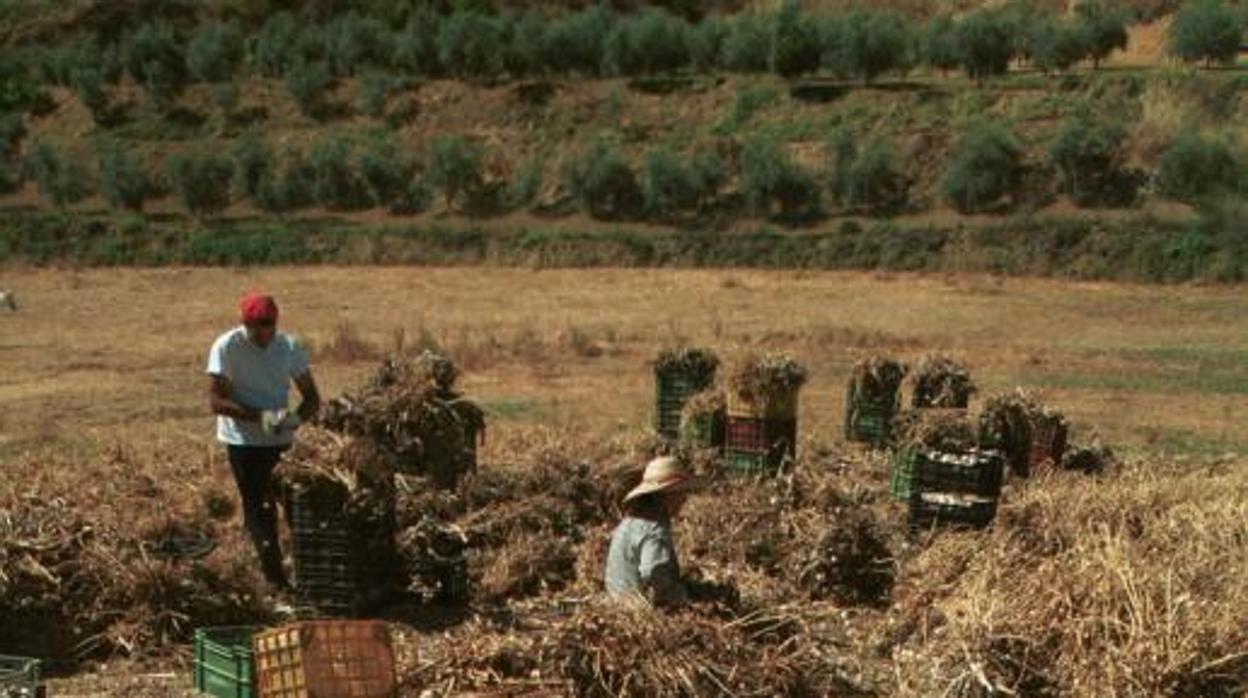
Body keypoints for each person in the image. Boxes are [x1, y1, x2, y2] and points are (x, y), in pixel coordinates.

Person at [206, 291, 321, 591]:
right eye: (253, 325)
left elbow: (312, 398)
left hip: (281, 443)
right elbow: (216, 401)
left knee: (298, 510)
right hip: (242, 442)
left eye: (266, 324)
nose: (260, 332)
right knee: (260, 510)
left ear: (276, 322)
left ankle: (309, 577)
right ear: (243, 323)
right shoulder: (227, 347)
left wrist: (294, 421)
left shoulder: (288, 347)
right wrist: (261, 417)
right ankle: (276, 582)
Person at [604, 456, 700, 608]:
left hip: (616, 603)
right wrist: (681, 596)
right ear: (666, 496)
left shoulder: (633, 519)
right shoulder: (653, 529)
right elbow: (653, 573)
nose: (685, 499)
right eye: (681, 492)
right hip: (636, 611)